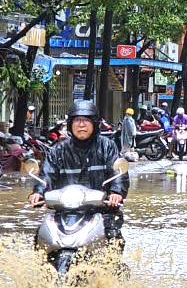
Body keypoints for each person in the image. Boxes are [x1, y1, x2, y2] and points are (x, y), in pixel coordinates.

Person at [28, 100, 128, 238]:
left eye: (86, 120)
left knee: (112, 237)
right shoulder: (59, 150)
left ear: (94, 123)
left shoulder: (107, 146)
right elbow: (47, 175)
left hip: (101, 210)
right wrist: (38, 192)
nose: (81, 125)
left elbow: (118, 173)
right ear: (70, 125)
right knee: (41, 236)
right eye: (77, 120)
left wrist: (116, 192)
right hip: (65, 211)